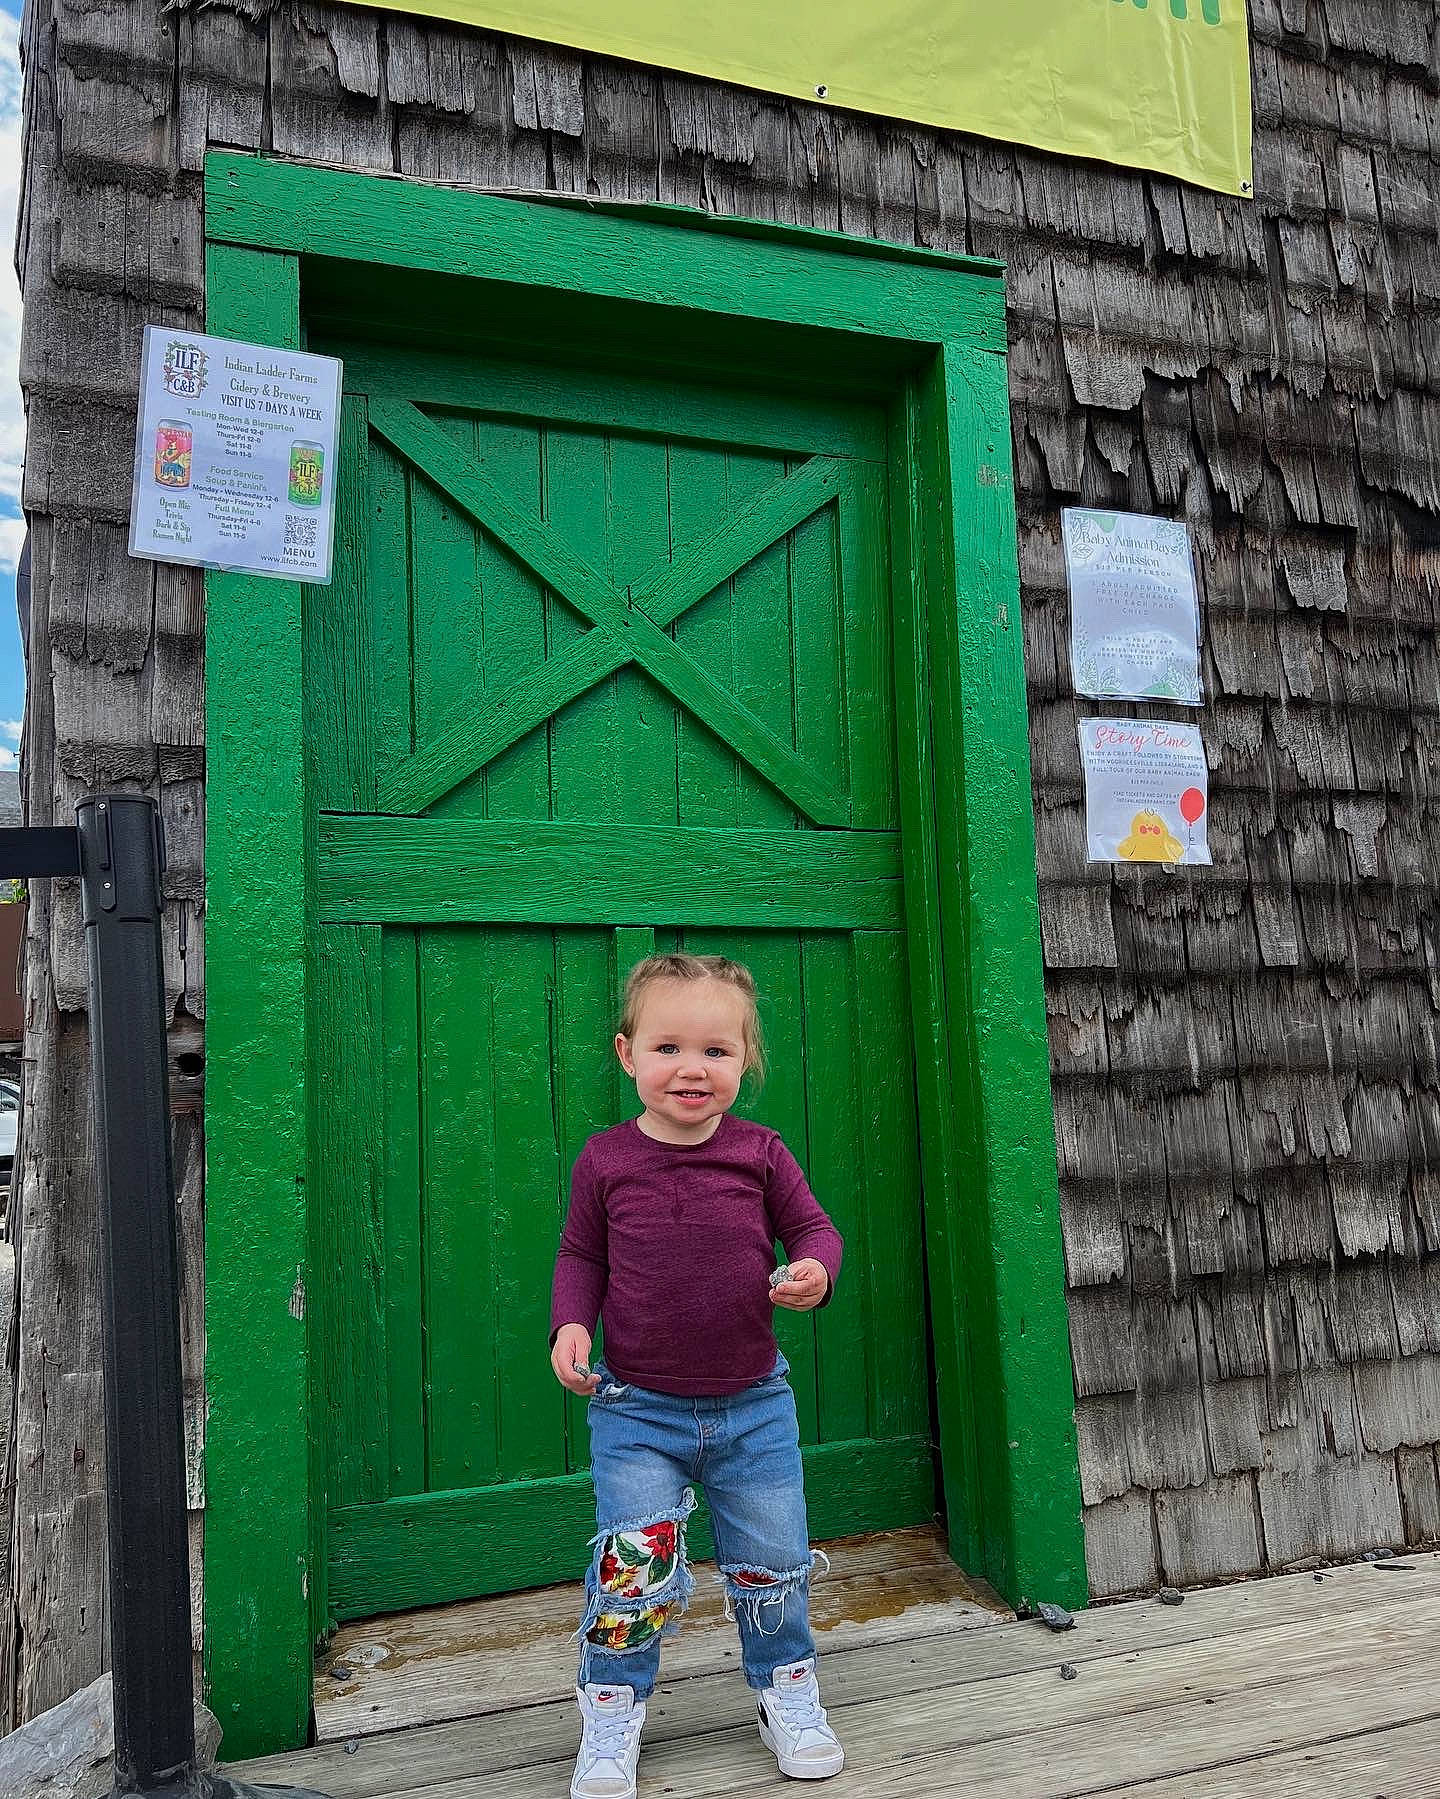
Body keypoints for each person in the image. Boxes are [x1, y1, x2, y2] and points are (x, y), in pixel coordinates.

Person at [550, 953, 846, 1799]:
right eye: (668, 1046)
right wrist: (570, 1324)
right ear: (627, 1054)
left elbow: (815, 1229)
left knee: (772, 1560)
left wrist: (815, 1272)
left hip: (754, 1406)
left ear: (745, 1061)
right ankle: (611, 1703)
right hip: (638, 1410)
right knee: (632, 1566)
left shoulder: (759, 1153)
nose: (691, 1067)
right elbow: (580, 1254)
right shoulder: (606, 1161)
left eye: (717, 1051)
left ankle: (785, 1687)